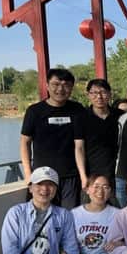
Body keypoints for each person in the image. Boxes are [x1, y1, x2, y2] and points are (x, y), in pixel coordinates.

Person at [20, 68, 87, 208]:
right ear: (47, 85)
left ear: (71, 88)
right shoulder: (35, 111)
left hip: (70, 176)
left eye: (66, 85)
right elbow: (25, 142)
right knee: (41, 215)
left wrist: (83, 176)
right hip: (42, 176)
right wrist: (28, 174)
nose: (60, 89)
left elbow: (79, 146)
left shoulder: (77, 110)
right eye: (56, 84)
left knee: (68, 215)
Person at [83, 79, 123, 191]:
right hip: (91, 174)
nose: (99, 96)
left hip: (117, 174)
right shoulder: (82, 116)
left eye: (103, 92)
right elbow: (79, 148)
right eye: (94, 93)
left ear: (110, 94)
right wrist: (82, 175)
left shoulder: (120, 116)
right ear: (88, 95)